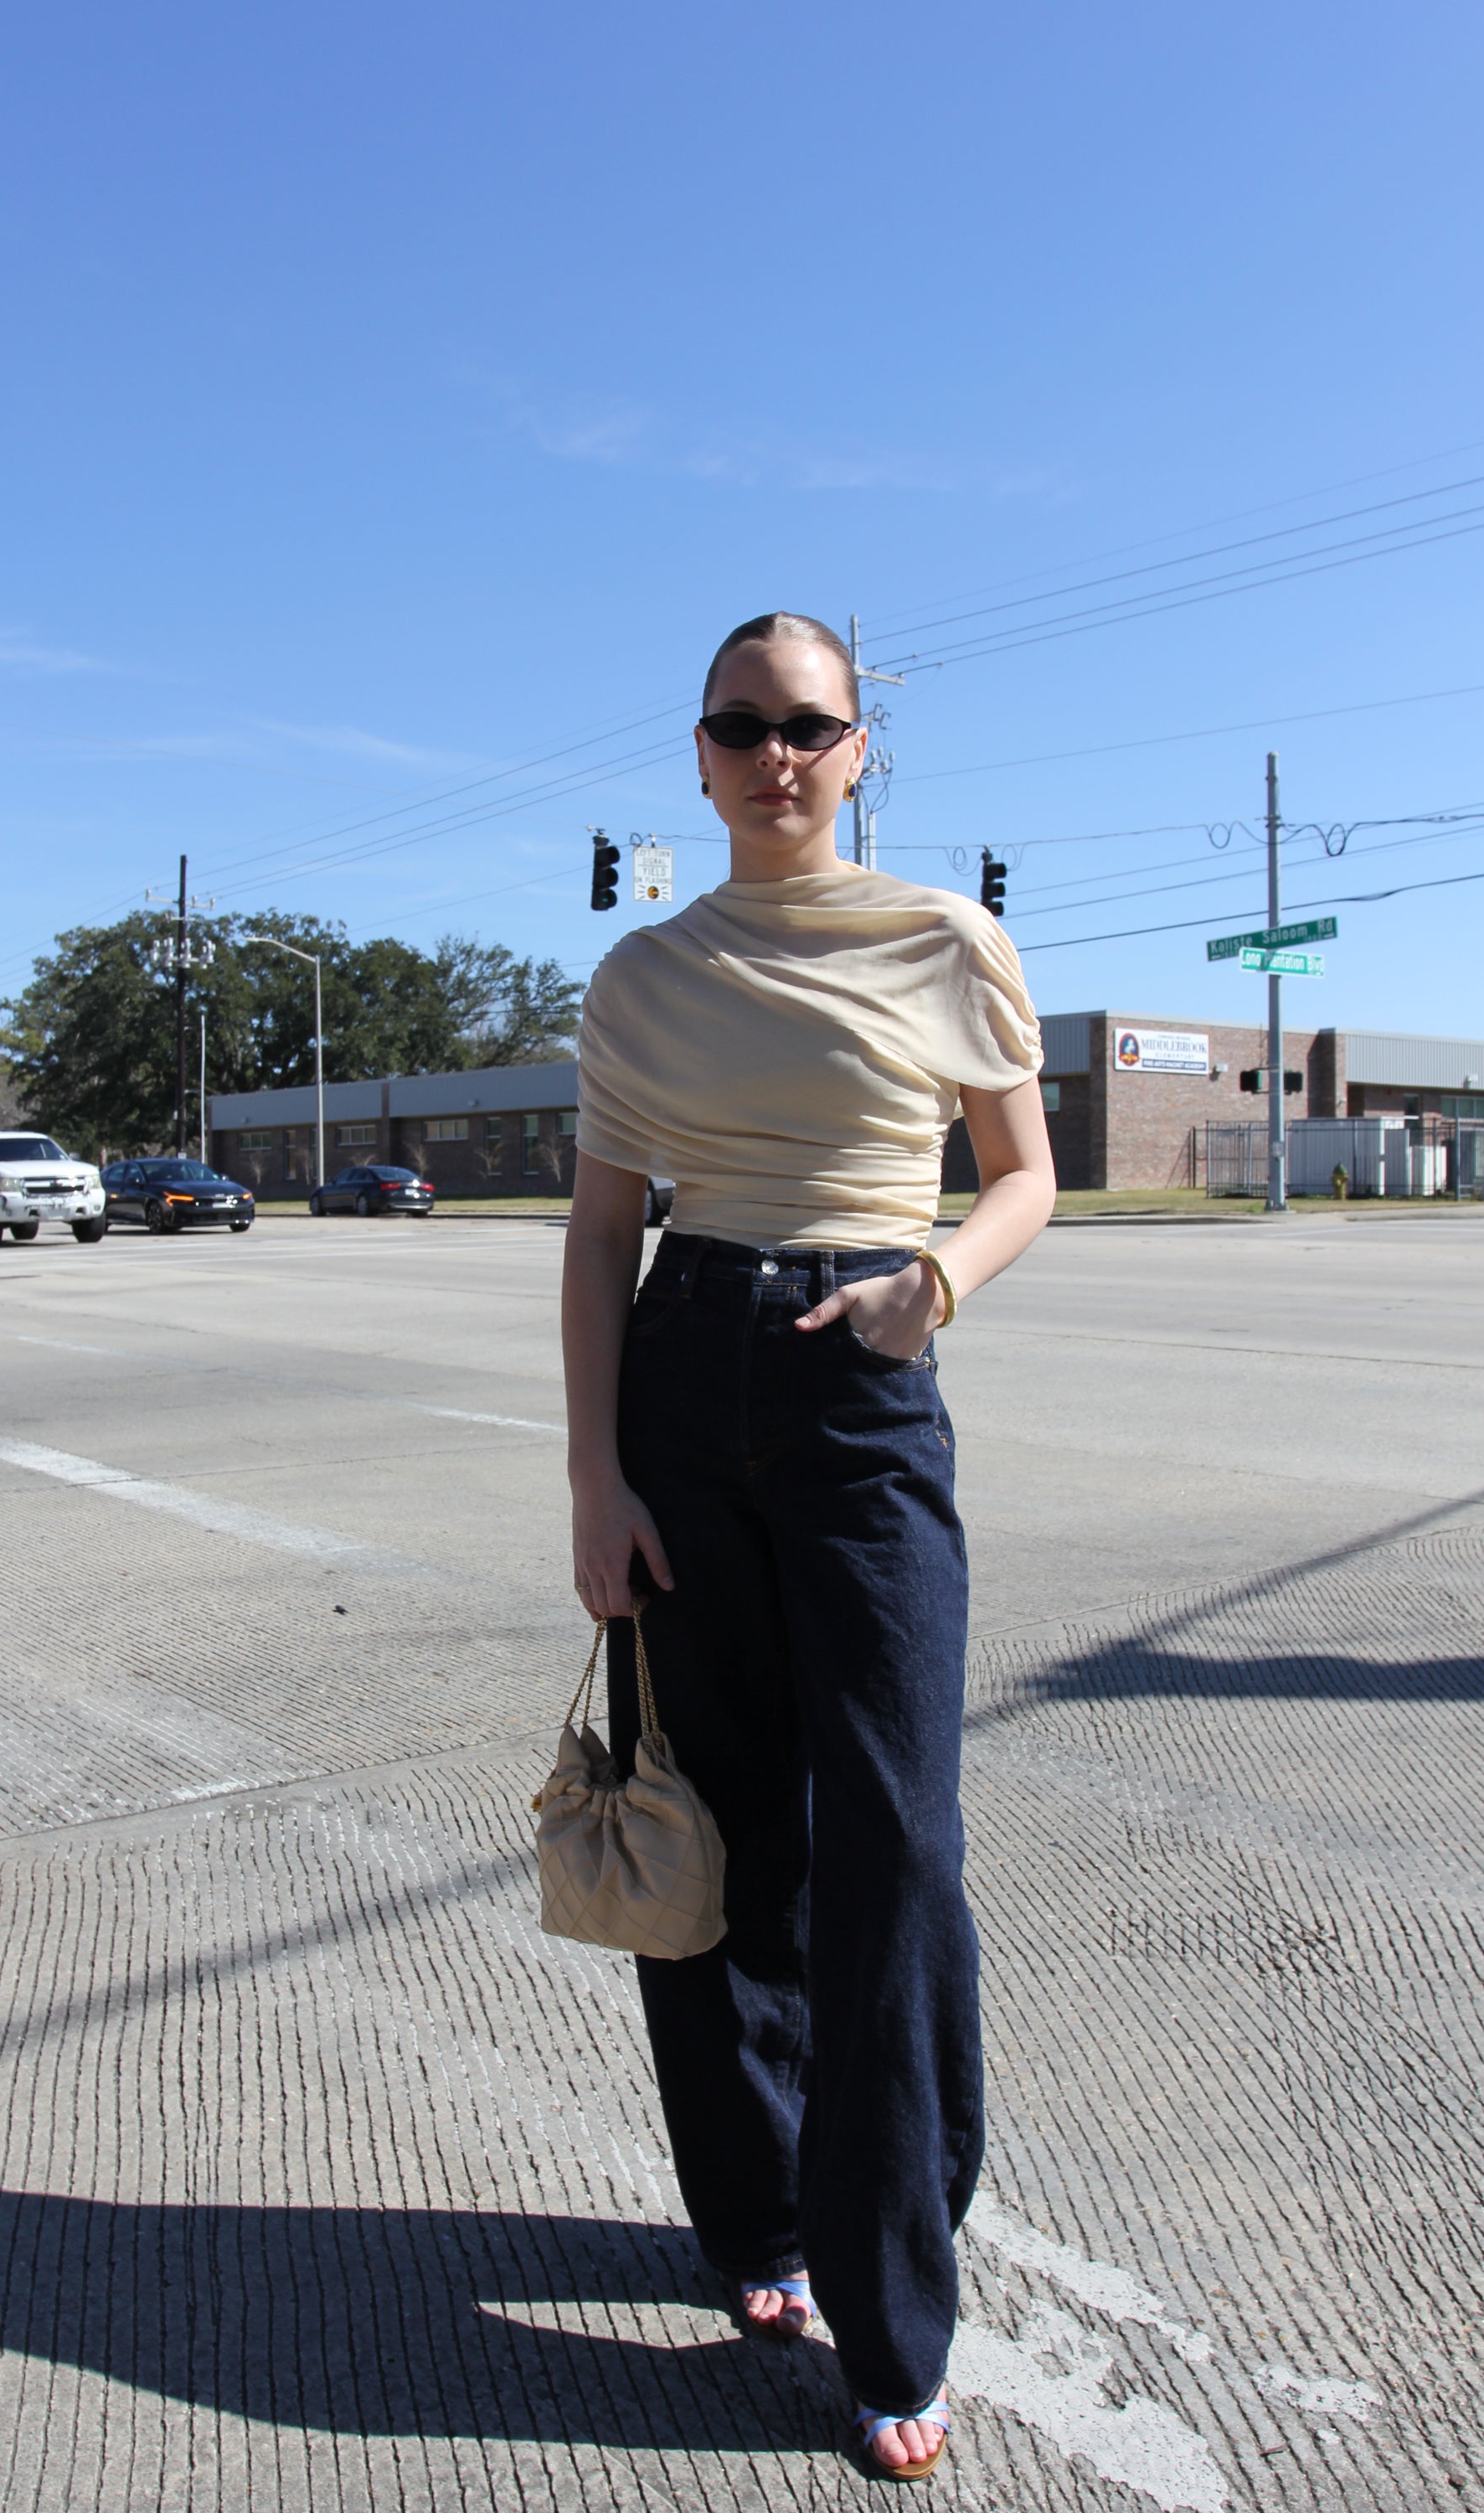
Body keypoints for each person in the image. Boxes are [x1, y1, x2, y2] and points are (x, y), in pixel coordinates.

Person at [562, 611, 1054, 2479]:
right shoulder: (640, 974)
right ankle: (759, 2226)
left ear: (861, 753)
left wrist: (929, 1277)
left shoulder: (947, 940)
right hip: (685, 1375)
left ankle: (892, 2297)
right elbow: (602, 1234)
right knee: (719, 1829)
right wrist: (597, 1482)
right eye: (739, 725)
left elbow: (1023, 1175)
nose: (775, 753)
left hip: (862, 1377)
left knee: (896, 1841)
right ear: (695, 755)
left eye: (808, 726)